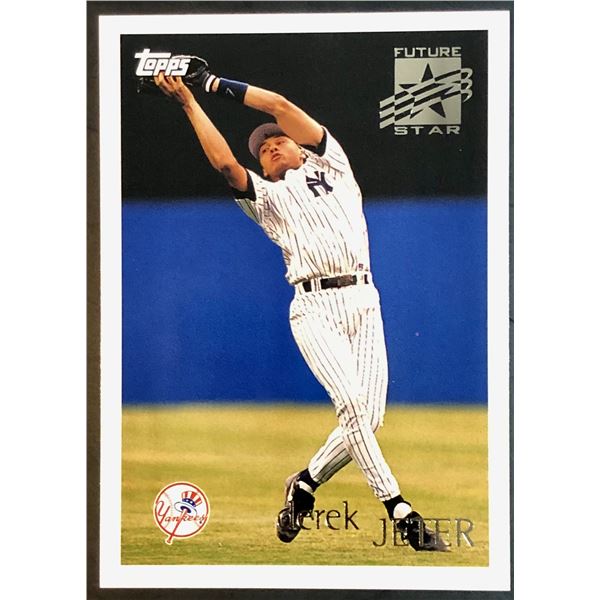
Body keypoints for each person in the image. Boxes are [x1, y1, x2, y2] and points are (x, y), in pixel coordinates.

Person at [152, 61, 447, 552]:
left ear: (300, 145)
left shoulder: (333, 164)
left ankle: (306, 483)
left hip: (363, 300)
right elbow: (226, 164)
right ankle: (401, 511)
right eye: (262, 150)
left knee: (369, 418)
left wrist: (213, 83)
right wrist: (189, 102)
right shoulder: (267, 197)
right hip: (313, 308)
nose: (270, 146)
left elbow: (279, 106)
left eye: (277, 140)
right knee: (351, 406)